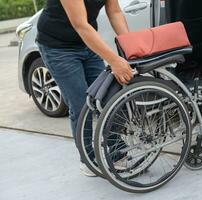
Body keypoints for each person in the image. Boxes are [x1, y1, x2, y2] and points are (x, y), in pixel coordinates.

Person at [36, 0, 133, 176]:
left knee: (108, 98)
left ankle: (117, 152)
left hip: (87, 44)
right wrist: (114, 61)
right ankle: (88, 159)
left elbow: (115, 12)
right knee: (81, 105)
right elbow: (80, 24)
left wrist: (131, 46)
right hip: (58, 48)